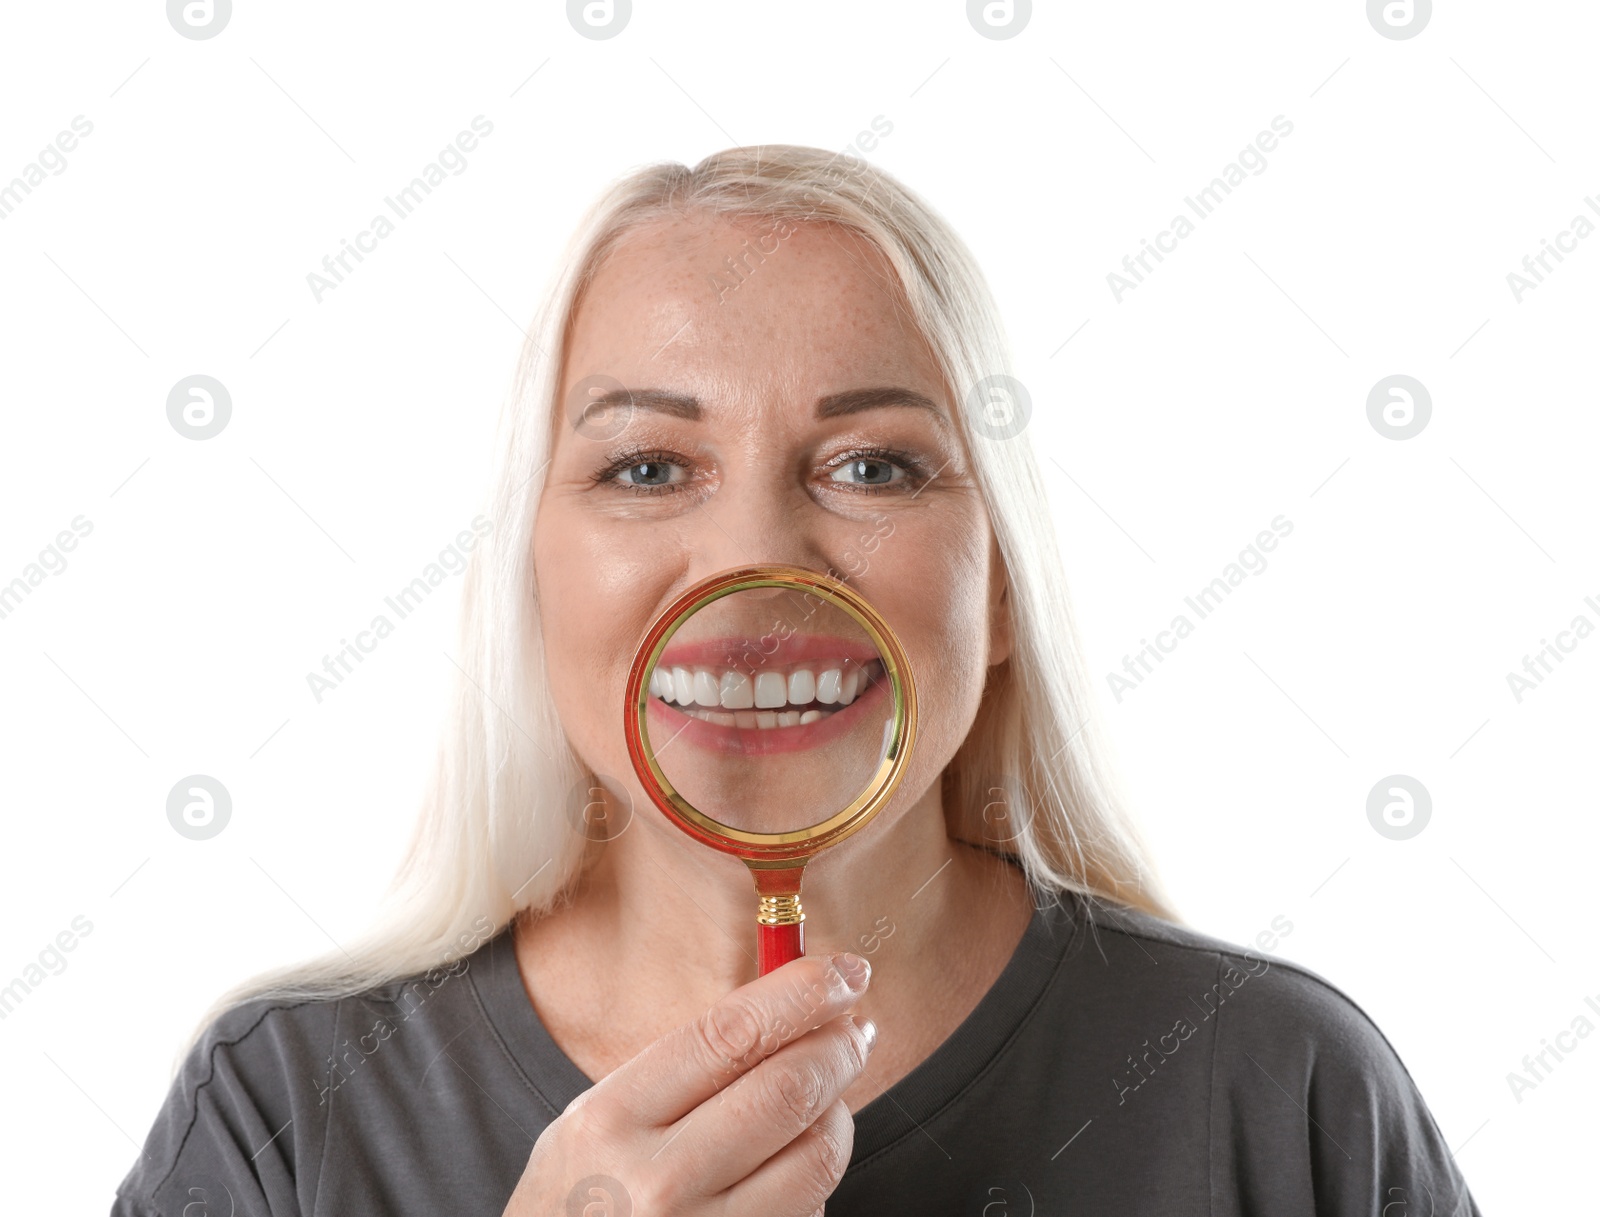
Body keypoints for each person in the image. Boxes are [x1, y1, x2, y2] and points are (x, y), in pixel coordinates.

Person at [112, 146, 1482, 1216]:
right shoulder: (281, 1113)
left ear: (1001, 584)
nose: (757, 562)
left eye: (873, 466)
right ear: (530, 579)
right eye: (647, 469)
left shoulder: (1281, 1092)